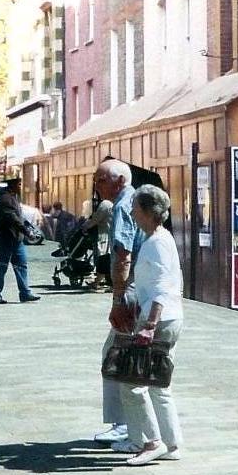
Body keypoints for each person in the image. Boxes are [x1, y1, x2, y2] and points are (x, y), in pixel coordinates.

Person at [118, 185, 183, 466]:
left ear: (147, 211)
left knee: (132, 384)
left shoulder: (156, 243)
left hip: (158, 320)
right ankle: (172, 443)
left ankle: (151, 442)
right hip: (170, 317)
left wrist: (149, 325)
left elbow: (160, 288)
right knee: (158, 384)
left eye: (135, 208)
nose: (132, 213)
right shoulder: (161, 238)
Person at [91, 160, 144, 449]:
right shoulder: (136, 200)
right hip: (141, 287)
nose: (97, 186)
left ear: (120, 180)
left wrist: (117, 299)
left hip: (131, 289)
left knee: (116, 355)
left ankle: (124, 424)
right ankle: (129, 423)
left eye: (101, 180)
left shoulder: (123, 206)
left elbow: (123, 256)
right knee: (120, 354)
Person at [0, 178, 41, 304]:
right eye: (19, 184)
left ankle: (25, 293)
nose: (20, 186)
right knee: (1, 266)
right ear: (12, 185)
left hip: (16, 239)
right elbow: (13, 219)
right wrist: (27, 232)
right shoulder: (6, 199)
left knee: (21, 265)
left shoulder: (13, 197)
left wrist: (28, 228)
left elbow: (19, 217)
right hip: (5, 239)